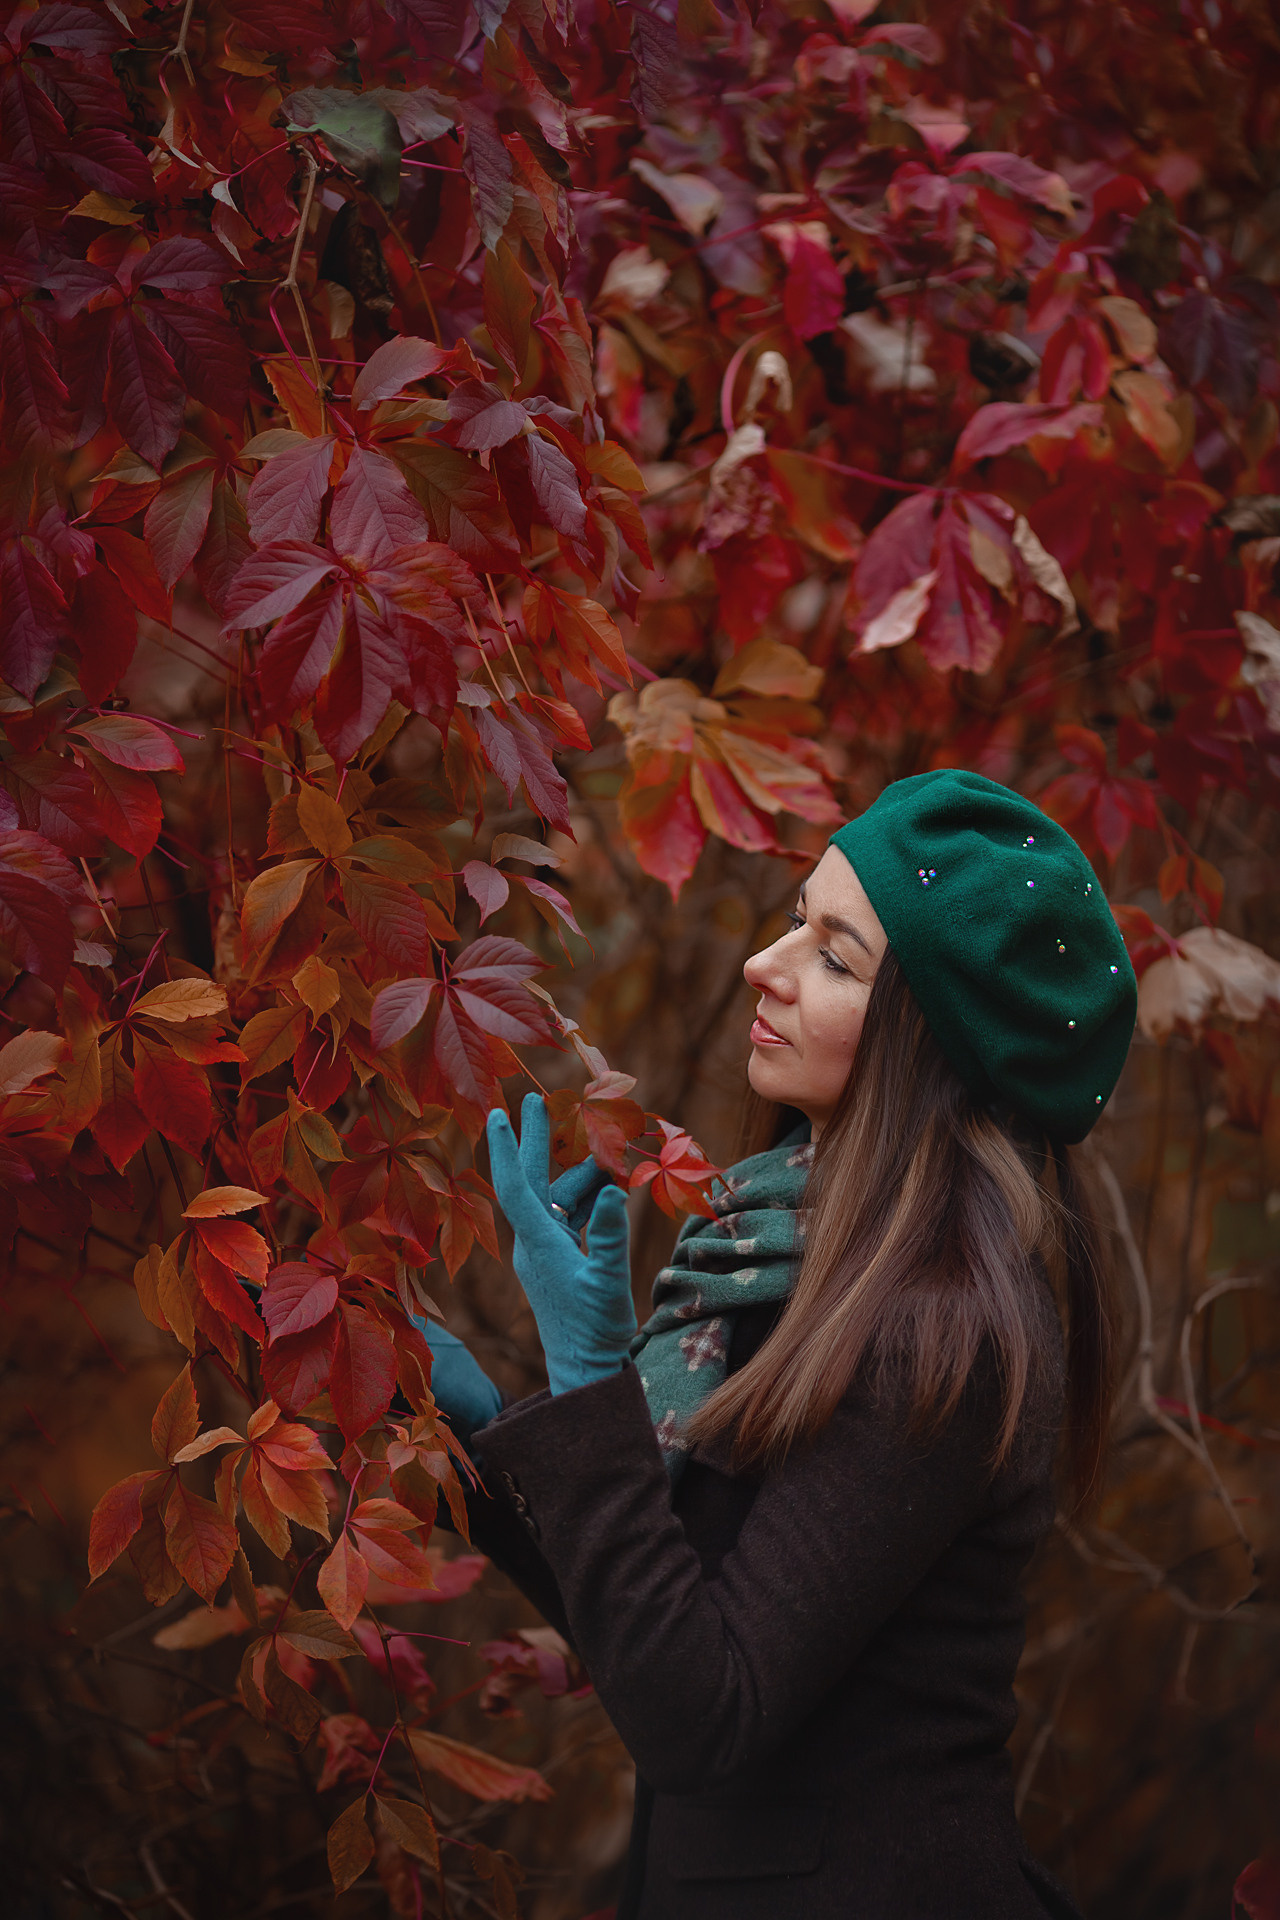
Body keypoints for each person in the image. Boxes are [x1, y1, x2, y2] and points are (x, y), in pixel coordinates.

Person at [422, 769, 1137, 1918]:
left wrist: (589, 1384)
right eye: (798, 917)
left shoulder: (938, 1329)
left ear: (931, 1038)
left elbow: (701, 1712)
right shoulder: (779, 1249)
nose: (765, 962)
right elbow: (668, 1623)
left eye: (834, 956)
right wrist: (491, 1442)